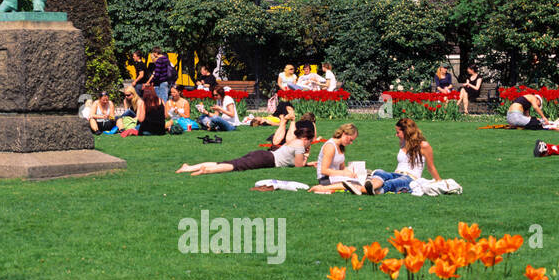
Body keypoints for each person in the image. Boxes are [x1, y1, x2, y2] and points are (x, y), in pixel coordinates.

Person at [326, 118, 441, 194]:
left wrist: (440, 182)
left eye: (398, 132)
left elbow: (431, 167)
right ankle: (368, 188)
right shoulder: (403, 143)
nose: (396, 135)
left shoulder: (423, 145)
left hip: (410, 178)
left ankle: (360, 189)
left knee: (390, 184)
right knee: (379, 172)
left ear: (406, 131)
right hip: (396, 174)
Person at [177, 121, 316, 175]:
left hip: (262, 155)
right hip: (266, 159)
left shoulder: (293, 141)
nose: (310, 144)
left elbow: (291, 162)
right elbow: (298, 166)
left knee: (229, 162)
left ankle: (188, 167)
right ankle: (207, 171)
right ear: (305, 139)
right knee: (236, 166)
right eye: (310, 141)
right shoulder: (300, 146)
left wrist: (308, 164)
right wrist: (307, 157)